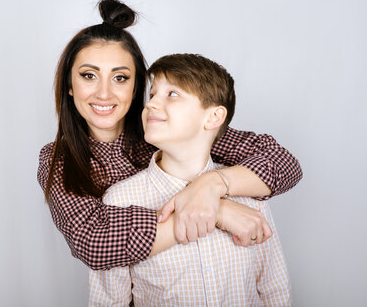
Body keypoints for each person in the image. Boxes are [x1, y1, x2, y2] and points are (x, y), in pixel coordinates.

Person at [37, 0, 302, 270]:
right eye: (89, 75)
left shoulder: (166, 129)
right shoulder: (58, 159)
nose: (104, 93)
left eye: (120, 78)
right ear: (69, 85)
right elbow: (93, 242)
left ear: (136, 86)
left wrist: (212, 185)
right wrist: (215, 212)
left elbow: (283, 163)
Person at [89, 53, 290, 306]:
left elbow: (274, 287)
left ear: (213, 117)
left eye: (172, 94)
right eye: (152, 95)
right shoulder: (119, 200)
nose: (151, 104)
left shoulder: (251, 193)